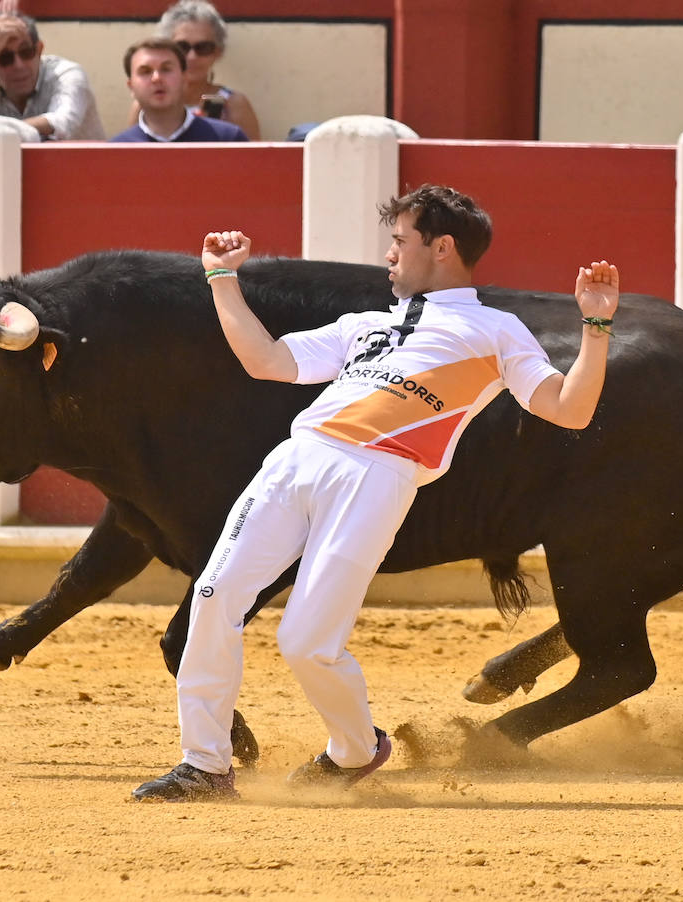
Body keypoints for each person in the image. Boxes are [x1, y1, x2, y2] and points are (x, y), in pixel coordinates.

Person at [131, 184, 620, 802]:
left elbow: (568, 410)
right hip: (295, 460)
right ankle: (205, 764)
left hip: (378, 476)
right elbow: (268, 361)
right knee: (212, 593)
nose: (388, 255)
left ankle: (356, 751)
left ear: (442, 248)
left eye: (399, 241)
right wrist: (222, 279)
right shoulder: (365, 323)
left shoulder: (497, 331)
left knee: (307, 641)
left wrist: (596, 327)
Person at [0, 9, 105, 140]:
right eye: (4, 58)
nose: (18, 65)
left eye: (26, 52)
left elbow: (62, 123)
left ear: (39, 50)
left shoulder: (67, 74)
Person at [151, 0, 260, 139]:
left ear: (217, 52)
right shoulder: (150, 101)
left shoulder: (234, 105)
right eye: (182, 47)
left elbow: (256, 159)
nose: (192, 57)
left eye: (203, 48)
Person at [110, 37, 246, 143]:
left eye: (166, 69)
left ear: (184, 79)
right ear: (131, 87)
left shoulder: (227, 139)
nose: (157, 78)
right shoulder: (115, 152)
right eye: (145, 71)